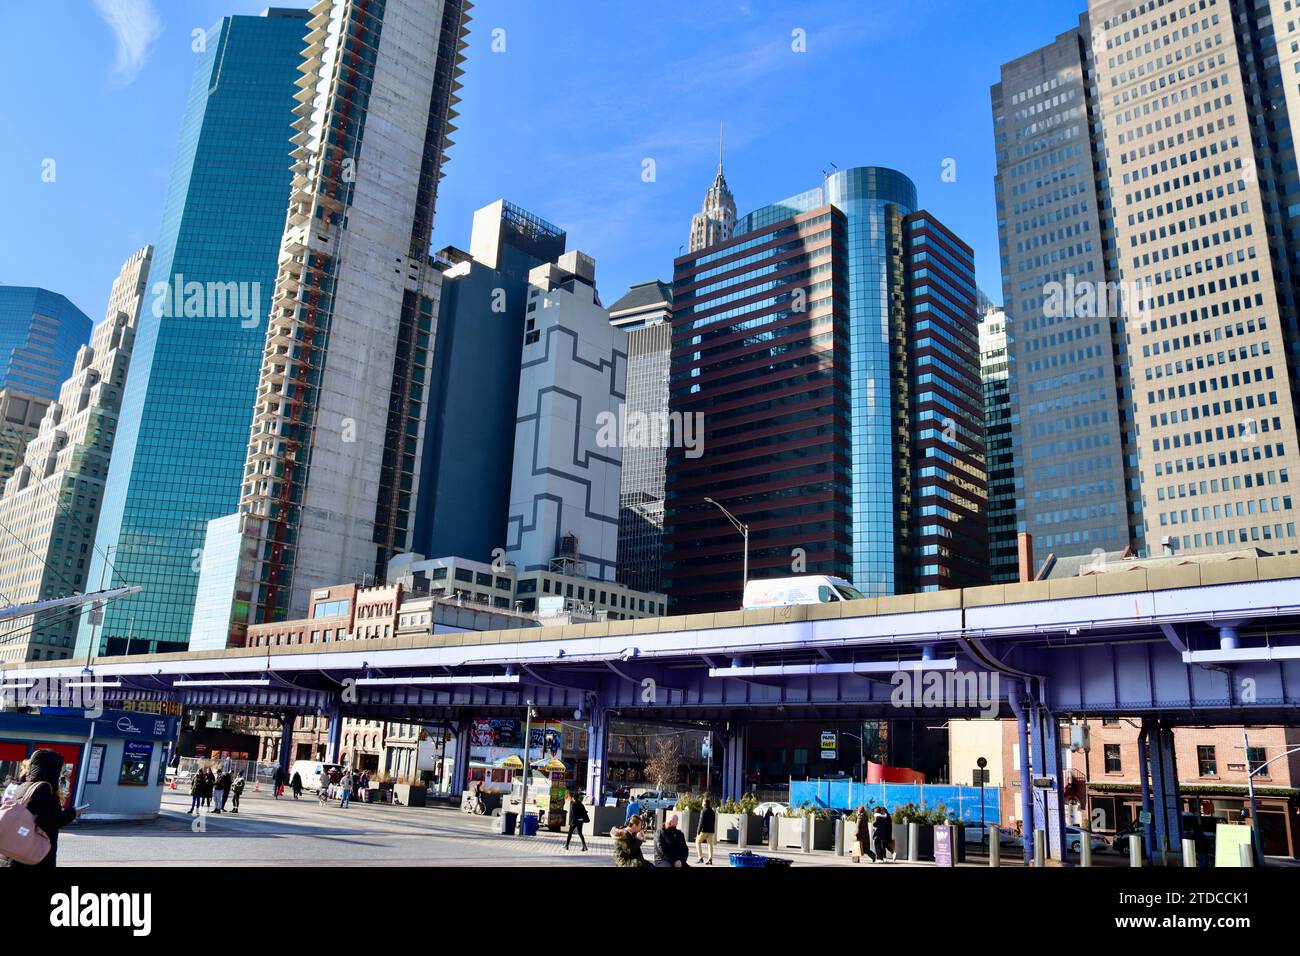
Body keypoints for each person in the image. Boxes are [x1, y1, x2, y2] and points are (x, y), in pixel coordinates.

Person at [0, 749, 84, 868]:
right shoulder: (44, 789)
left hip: (11, 851)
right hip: (30, 856)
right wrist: (73, 812)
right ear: (52, 770)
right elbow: (49, 822)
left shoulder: (24, 786)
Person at [696, 798, 717, 864]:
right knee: (710, 845)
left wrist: (698, 831)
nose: (702, 803)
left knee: (697, 842)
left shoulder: (703, 811)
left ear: (704, 803)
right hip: (711, 831)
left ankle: (700, 857)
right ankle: (710, 859)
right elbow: (713, 822)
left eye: (702, 802)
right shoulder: (712, 811)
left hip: (703, 831)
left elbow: (701, 822)